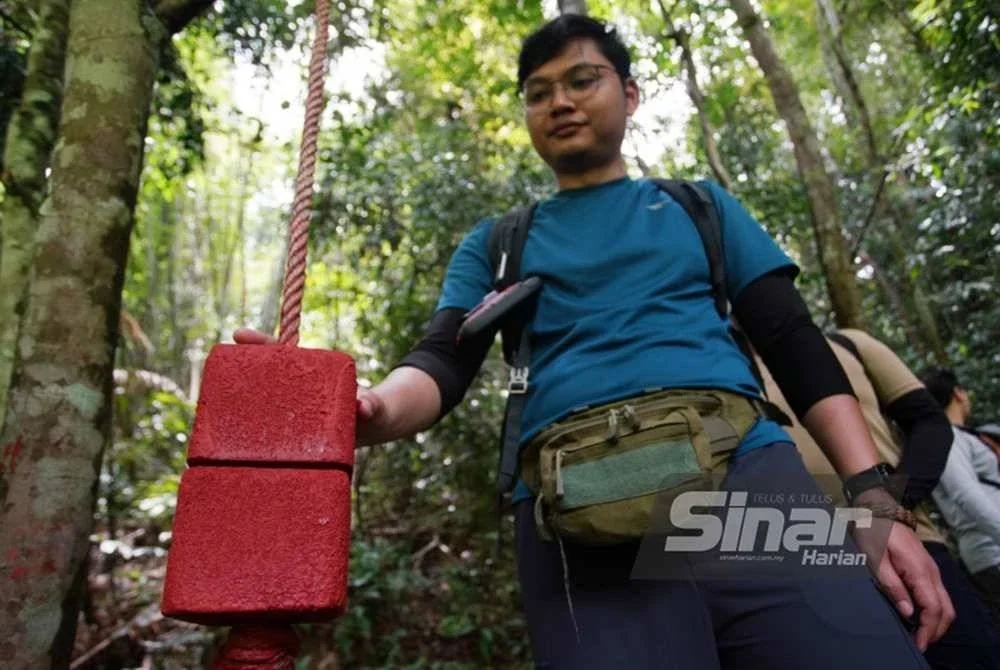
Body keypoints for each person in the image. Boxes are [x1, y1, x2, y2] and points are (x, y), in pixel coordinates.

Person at [237, 14, 953, 669]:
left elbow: (792, 342)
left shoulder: (699, 206)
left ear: (632, 95)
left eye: (583, 79)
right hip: (572, 506)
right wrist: (366, 409)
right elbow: (442, 361)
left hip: (745, 479)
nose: (560, 102)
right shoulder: (499, 243)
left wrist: (876, 503)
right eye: (539, 91)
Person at [756, 329, 1000, 668]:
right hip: (811, 564)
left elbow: (928, 421)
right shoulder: (715, 369)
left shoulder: (847, 342)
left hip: (910, 545)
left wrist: (888, 506)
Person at [922, 367, 1000, 626]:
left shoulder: (960, 435)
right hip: (991, 551)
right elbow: (965, 494)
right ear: (958, 393)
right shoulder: (949, 437)